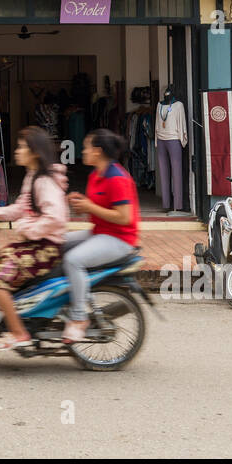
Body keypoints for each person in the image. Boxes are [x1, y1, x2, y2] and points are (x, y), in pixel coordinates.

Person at [0, 126, 69, 350]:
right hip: (35, 244)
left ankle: (19, 333)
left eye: (21, 147)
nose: (17, 151)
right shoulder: (33, 176)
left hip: (44, 248)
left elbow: (57, 217)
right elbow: (20, 208)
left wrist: (31, 230)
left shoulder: (43, 181)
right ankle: (9, 317)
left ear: (35, 152)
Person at [63, 129, 140, 343]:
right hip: (100, 232)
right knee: (56, 244)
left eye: (86, 147)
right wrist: (80, 204)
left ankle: (79, 317)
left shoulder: (117, 178)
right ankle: (70, 300)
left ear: (97, 151)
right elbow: (97, 208)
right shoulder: (96, 174)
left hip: (119, 239)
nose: (83, 151)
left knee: (73, 260)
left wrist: (89, 206)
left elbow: (124, 218)